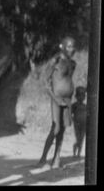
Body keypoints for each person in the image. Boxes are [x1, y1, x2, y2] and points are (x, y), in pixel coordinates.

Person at [37, 36, 76, 168]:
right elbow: (45, 83)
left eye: (73, 46)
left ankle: (56, 158)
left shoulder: (72, 63)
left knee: (63, 129)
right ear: (63, 46)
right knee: (56, 128)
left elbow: (67, 80)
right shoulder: (56, 61)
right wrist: (56, 98)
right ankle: (43, 159)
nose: (72, 49)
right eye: (69, 46)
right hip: (56, 99)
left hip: (68, 100)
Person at [72, 86, 87, 158]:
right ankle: (75, 150)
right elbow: (70, 114)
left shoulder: (85, 106)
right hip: (77, 124)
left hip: (84, 125)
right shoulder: (74, 105)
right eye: (80, 95)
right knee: (78, 139)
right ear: (76, 96)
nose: (81, 97)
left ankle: (79, 153)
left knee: (82, 139)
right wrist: (73, 120)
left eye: (83, 95)